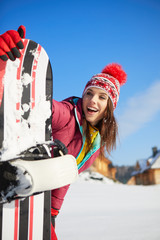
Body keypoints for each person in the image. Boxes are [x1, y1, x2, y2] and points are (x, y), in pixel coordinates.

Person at [0, 26, 127, 239]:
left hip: (40, 201)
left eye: (102, 97)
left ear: (110, 108)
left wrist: (51, 213)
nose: (93, 100)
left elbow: (65, 176)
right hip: (16, 182)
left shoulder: (95, 144)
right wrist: (3, 65)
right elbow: (37, 104)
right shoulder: (68, 115)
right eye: (89, 93)